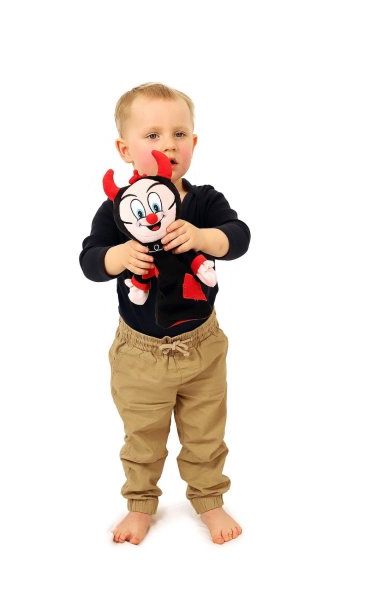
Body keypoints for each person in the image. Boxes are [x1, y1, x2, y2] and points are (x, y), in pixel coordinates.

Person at [79, 83, 251, 545]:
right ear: (125, 149)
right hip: (140, 353)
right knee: (142, 436)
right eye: (153, 135)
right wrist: (118, 257)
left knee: (206, 432)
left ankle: (209, 498)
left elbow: (238, 236)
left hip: (202, 345)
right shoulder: (117, 210)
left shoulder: (203, 201)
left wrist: (203, 237)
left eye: (179, 134)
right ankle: (140, 503)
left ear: (194, 142)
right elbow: (90, 260)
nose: (168, 145)